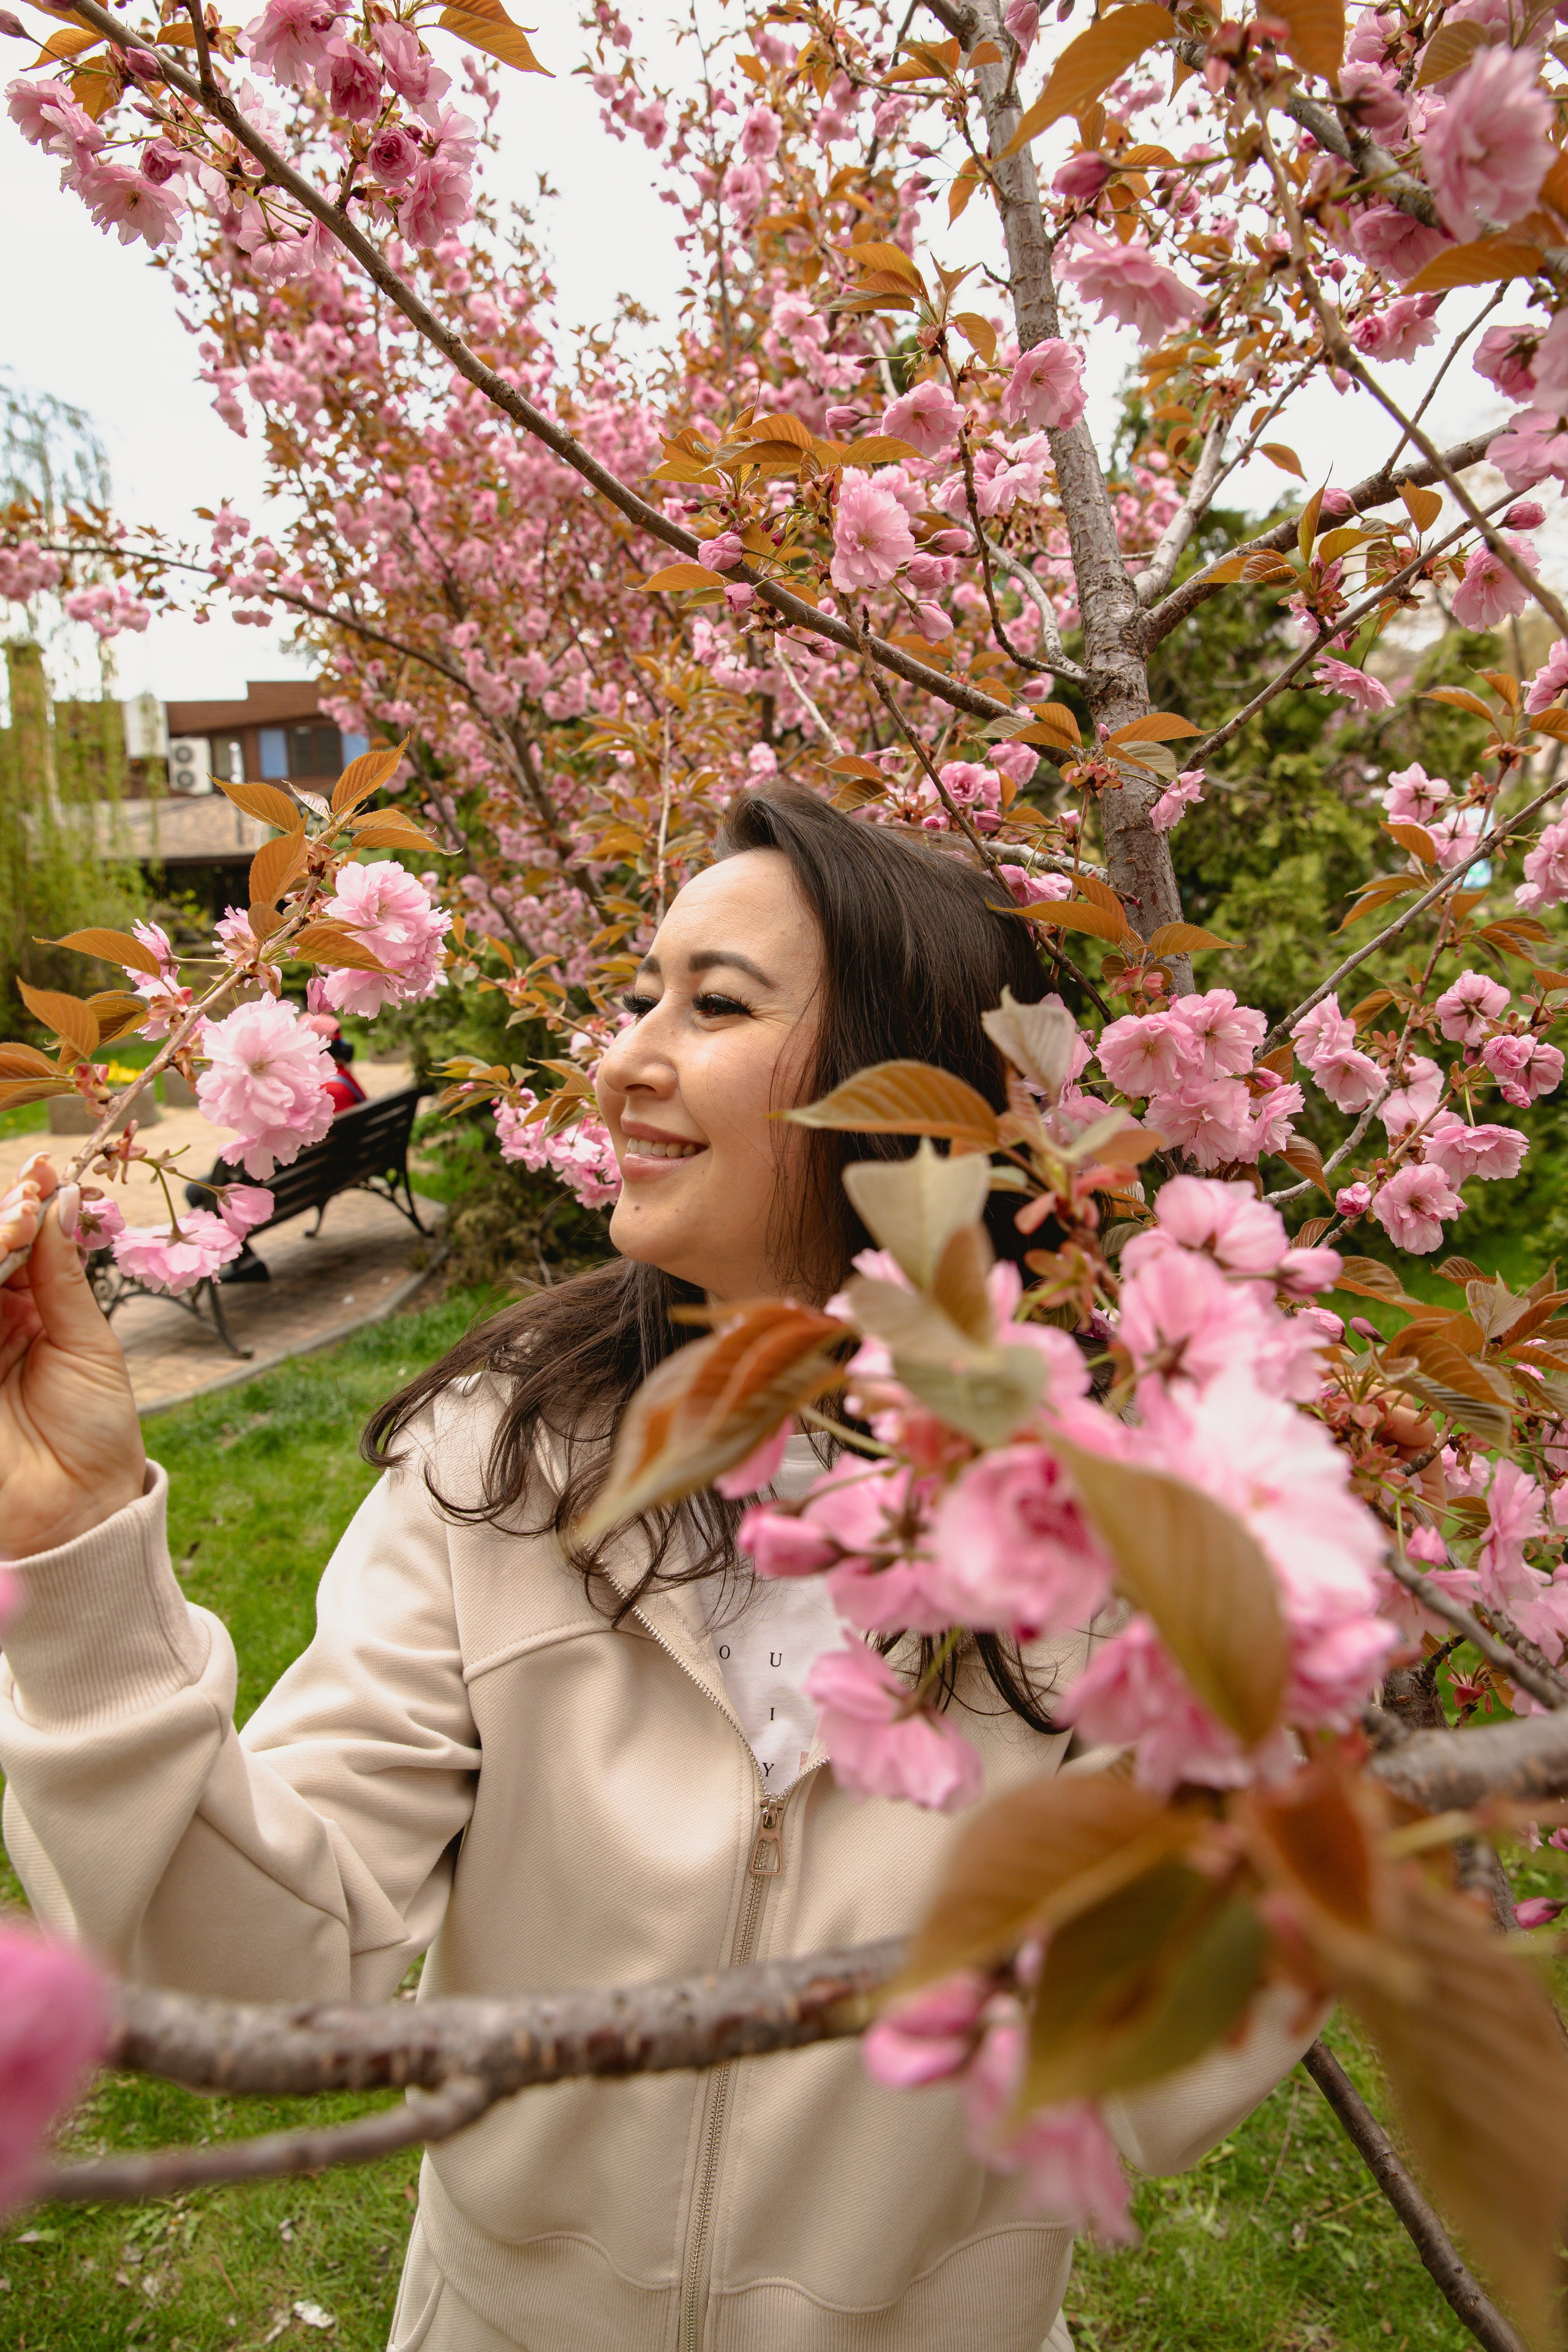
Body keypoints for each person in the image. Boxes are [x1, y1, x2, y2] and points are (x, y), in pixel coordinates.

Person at [0, 788, 1316, 2352]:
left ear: (904, 1087)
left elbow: (1164, 2075)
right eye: (636, 994)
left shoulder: (1102, 1527)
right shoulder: (497, 1469)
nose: (621, 1058)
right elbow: (252, 1969)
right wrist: (72, 1547)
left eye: (713, 1004)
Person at [184, 1012, 366, 1283]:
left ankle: (247, 1263)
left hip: (301, 1180)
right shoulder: (342, 1079)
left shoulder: (325, 1092)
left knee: (198, 1190)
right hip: (330, 1171)